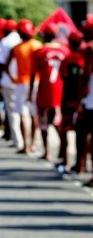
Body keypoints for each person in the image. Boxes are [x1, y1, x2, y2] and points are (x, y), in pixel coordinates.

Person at [32, 23, 70, 161]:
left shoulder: (40, 51)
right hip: (60, 90)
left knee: (44, 123)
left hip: (44, 90)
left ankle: (47, 152)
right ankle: (62, 152)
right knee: (59, 124)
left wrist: (31, 91)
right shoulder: (65, 50)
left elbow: (33, 73)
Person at [5, 19, 42, 154]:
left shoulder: (16, 48)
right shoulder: (37, 46)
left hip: (21, 84)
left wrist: (12, 78)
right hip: (36, 82)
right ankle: (33, 144)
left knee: (23, 115)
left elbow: (7, 66)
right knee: (34, 115)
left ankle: (26, 144)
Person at [58, 30, 84, 172]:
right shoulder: (84, 57)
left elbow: (66, 79)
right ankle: (82, 163)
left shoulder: (69, 59)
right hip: (83, 99)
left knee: (67, 130)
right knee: (82, 133)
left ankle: (66, 160)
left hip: (71, 99)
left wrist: (66, 100)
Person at [0, 19, 21, 147]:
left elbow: (2, 64)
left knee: (12, 111)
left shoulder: (6, 41)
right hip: (24, 80)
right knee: (23, 112)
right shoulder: (22, 40)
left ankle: (17, 140)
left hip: (9, 80)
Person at [79, 14, 93, 186]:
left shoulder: (90, 48)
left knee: (89, 135)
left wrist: (80, 98)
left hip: (91, 99)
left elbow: (86, 74)